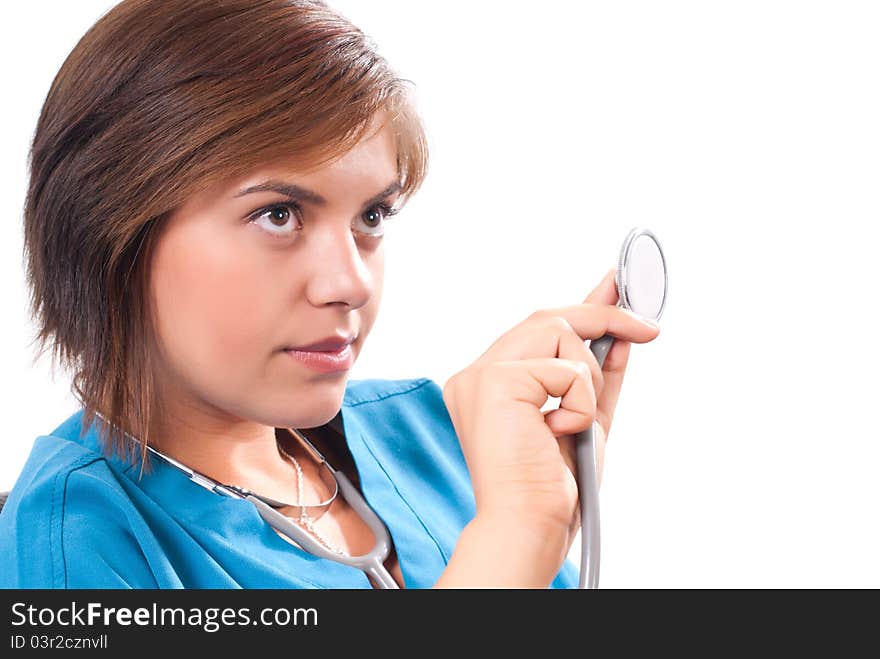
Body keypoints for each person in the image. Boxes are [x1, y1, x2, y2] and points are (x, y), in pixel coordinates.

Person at [0, 0, 660, 589]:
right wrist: (514, 540)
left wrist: (545, 518)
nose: (351, 282)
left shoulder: (441, 435)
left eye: (371, 216)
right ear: (110, 232)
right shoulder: (72, 545)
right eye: (279, 214)